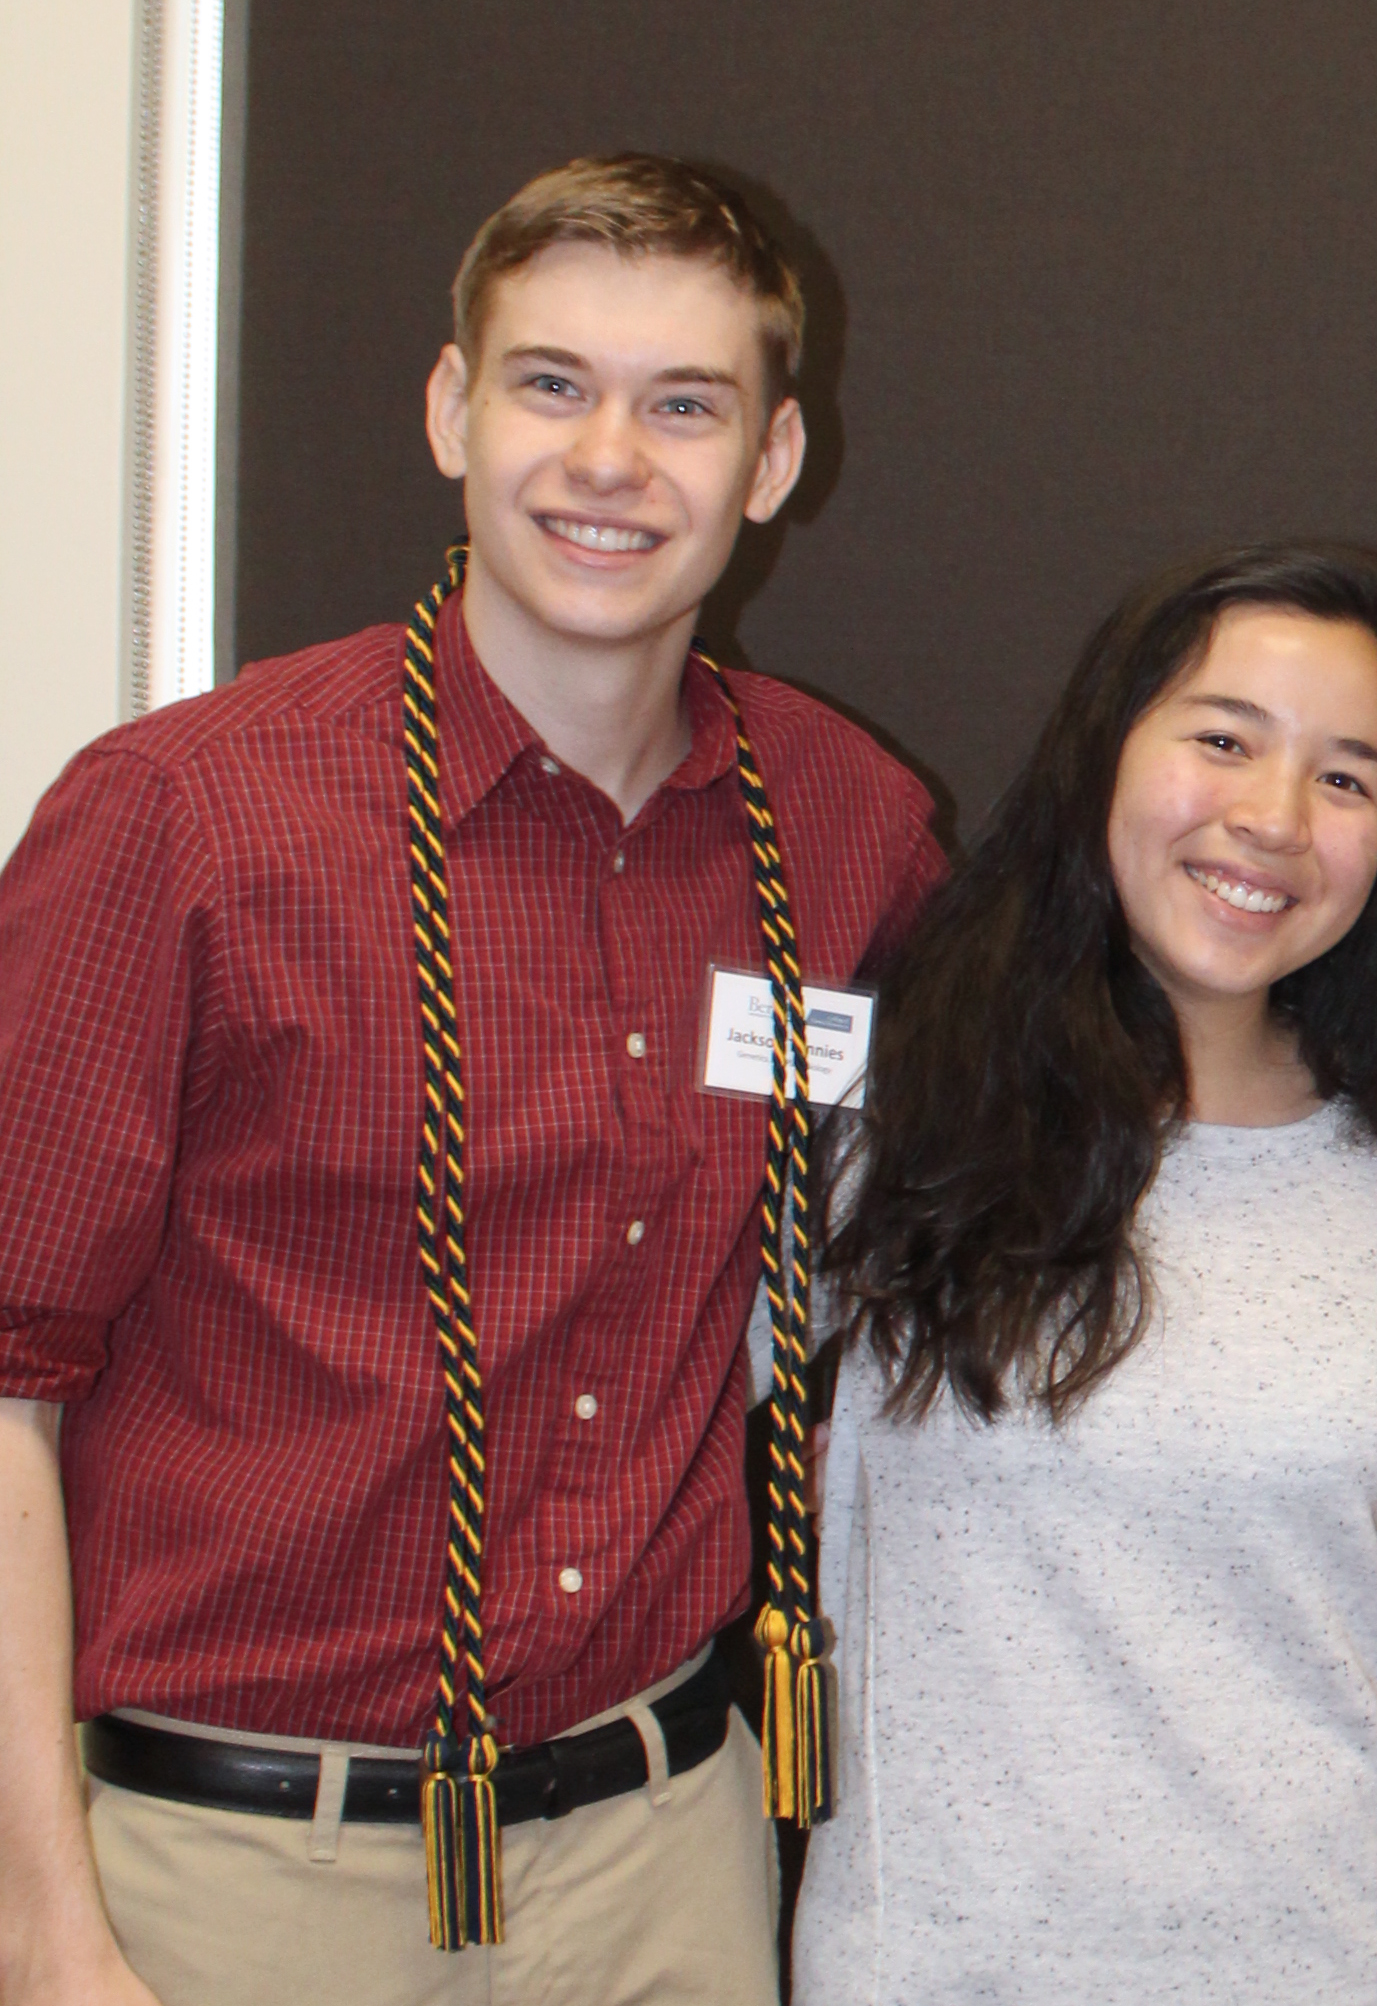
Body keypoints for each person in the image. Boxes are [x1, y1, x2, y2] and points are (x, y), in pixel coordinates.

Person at [0, 155, 942, 2005]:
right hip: (239, 1874)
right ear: (451, 410)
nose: (611, 457)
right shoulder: (182, 818)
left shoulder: (848, 829)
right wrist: (43, 1927)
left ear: (771, 463)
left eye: (685, 405)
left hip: (666, 1855)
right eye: (550, 383)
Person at [787, 546, 1377, 2003]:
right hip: (934, 1967)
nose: (1273, 818)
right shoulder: (897, 1113)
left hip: (1329, 1959)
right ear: (1105, 750)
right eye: (1223, 738)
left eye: (1350, 778)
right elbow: (643, 1371)